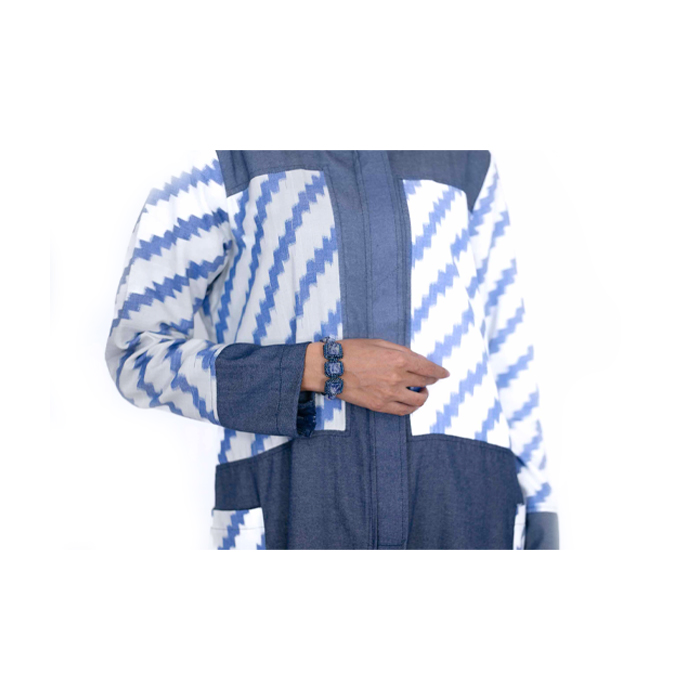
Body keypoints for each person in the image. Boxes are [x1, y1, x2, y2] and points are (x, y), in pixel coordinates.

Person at [104, 150, 558, 550]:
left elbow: (506, 343)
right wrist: (312, 368)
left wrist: (541, 511)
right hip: (295, 500)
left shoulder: (465, 157)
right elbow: (136, 353)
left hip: (465, 501)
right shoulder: (220, 154)